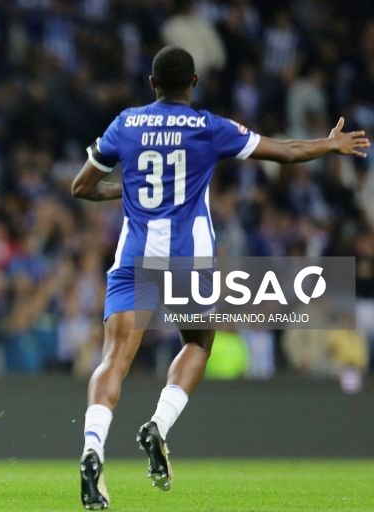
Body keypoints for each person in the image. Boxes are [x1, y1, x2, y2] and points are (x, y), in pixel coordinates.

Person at [71, 46, 369, 510]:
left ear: (152, 83)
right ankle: (158, 426)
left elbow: (81, 187)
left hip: (134, 256)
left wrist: (126, 190)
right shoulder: (208, 127)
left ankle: (93, 448)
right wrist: (329, 145)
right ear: (194, 82)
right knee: (198, 343)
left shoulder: (125, 123)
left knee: (114, 358)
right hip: (188, 261)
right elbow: (285, 152)